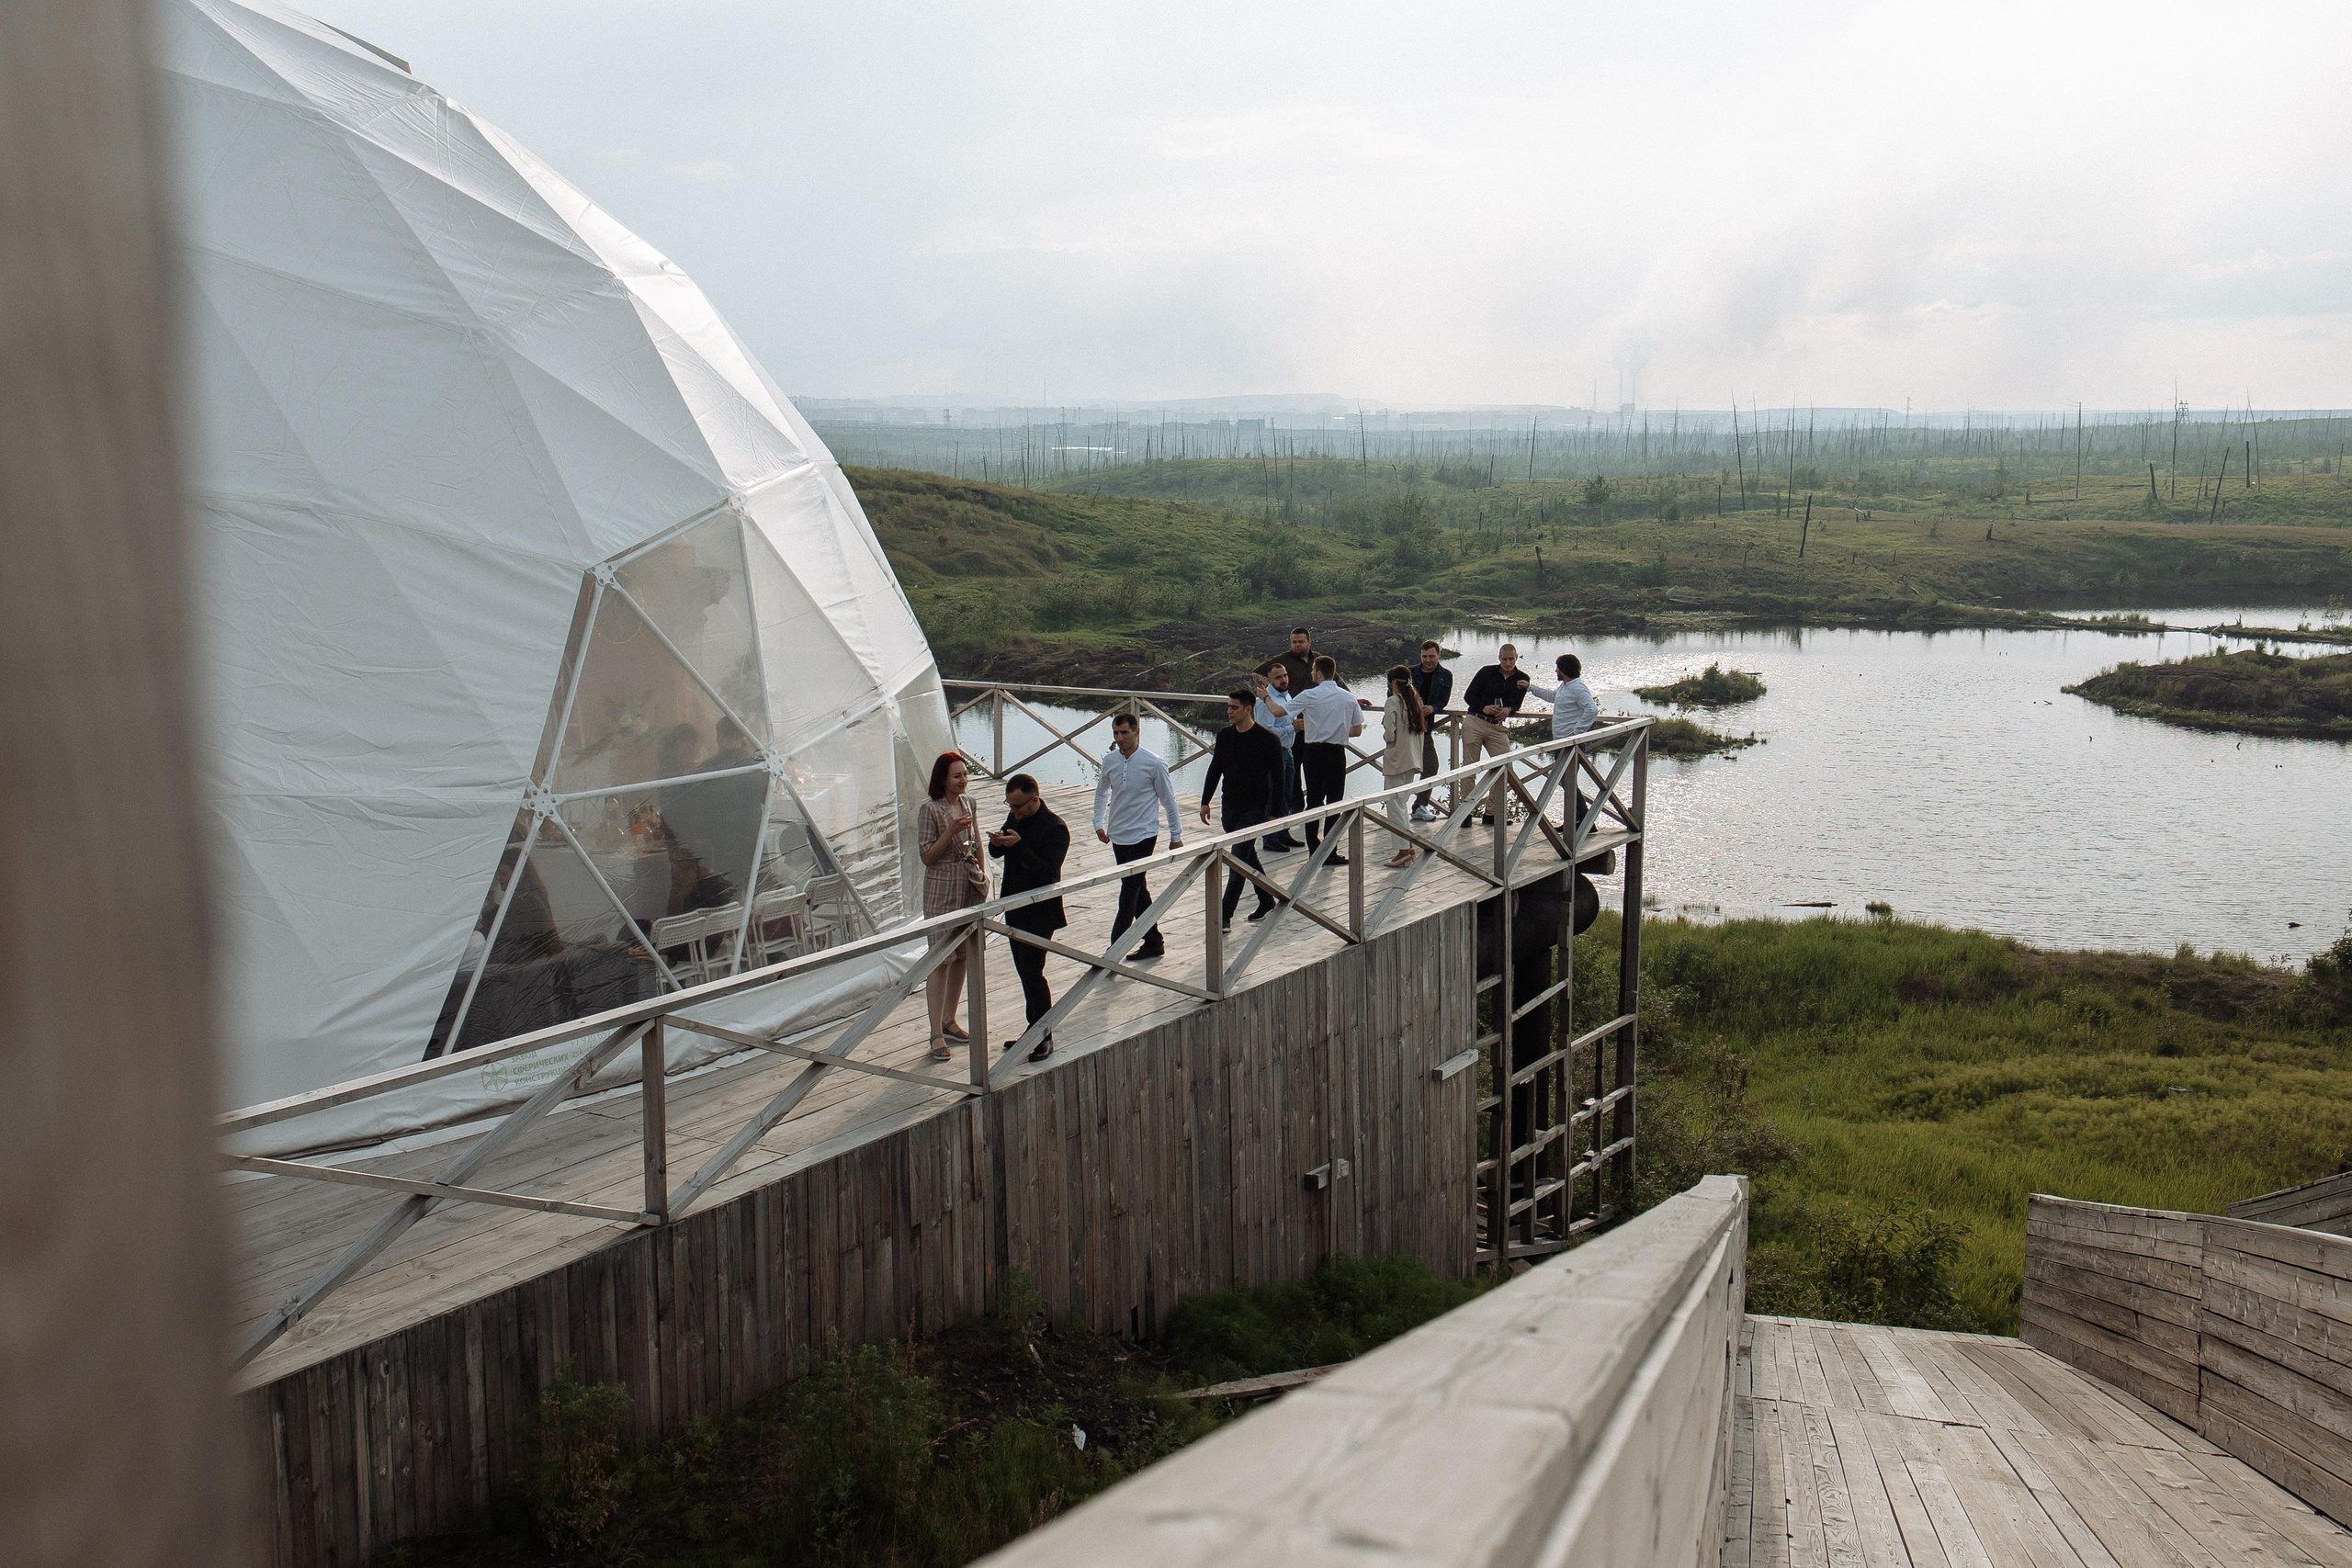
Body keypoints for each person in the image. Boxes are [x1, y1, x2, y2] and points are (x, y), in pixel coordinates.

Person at [988, 773, 1068, 1062]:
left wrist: (1017, 846)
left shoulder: (1056, 828)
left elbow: (1048, 872)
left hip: (1041, 911)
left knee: (1033, 972)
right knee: (1024, 971)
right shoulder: (1015, 818)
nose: (1014, 812)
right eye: (1010, 806)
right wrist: (997, 843)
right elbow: (998, 852)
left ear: (1035, 798)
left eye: (1019, 806)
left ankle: (1044, 1034)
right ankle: (1033, 1026)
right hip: (1016, 907)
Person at [1092, 713, 1182, 958]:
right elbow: (1102, 793)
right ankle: (1154, 941)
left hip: (1144, 834)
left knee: (1129, 891)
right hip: (1118, 834)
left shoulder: (1154, 762)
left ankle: (1114, 951)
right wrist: (1097, 823)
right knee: (1138, 889)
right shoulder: (1110, 761)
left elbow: (1168, 800)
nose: (1120, 738)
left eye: (1124, 732)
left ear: (1136, 731)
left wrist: (1176, 835)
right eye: (1116, 733)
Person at [917, 751, 987, 1060]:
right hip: (942, 887)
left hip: (967, 884)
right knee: (941, 959)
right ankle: (934, 1033)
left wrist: (982, 876)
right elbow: (927, 857)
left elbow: (978, 842)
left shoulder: (969, 802)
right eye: (957, 776)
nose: (963, 780)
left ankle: (949, 1019)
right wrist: (950, 831)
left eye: (965, 775)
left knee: (962, 956)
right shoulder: (929, 810)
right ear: (943, 779)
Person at [1198, 688, 1283, 929]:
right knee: (1246, 856)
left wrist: (1275, 812)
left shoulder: (1268, 740)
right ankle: (1266, 898)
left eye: (1234, 708)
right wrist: (1205, 800)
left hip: (1256, 807)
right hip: (1230, 806)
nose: (1229, 712)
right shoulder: (1225, 735)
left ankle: (1224, 915)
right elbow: (1215, 768)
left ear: (1248, 709)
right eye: (1228, 707)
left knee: (1237, 858)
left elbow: (1279, 779)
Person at [1285, 654, 1364, 863]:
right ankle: (1330, 851)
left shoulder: (1309, 695)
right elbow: (1357, 730)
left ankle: (1314, 850)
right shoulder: (1348, 698)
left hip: (1313, 752)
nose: (1311, 673)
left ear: (1319, 673)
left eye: (1313, 670)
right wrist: (1335, 728)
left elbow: (1279, 712)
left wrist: (1265, 697)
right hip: (1336, 752)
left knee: (1313, 801)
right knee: (1334, 802)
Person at [1519, 652, 1601, 833]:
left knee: (1567, 782)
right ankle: (1579, 820)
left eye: (1557, 667)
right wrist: (1530, 687)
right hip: (1561, 744)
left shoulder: (1578, 688)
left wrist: (1577, 732)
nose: (1555, 670)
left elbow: (1592, 709)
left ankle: (1583, 821)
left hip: (1571, 744)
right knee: (1566, 782)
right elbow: (1551, 696)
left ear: (1563, 670)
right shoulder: (1565, 687)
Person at [1459, 644, 1534, 825]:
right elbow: (1468, 696)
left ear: (1517, 658)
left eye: (1511, 659)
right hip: (1475, 721)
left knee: (1504, 768)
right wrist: (1484, 707)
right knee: (1470, 767)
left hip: (1497, 727)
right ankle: (1465, 813)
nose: (1507, 663)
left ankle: (1491, 814)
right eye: (1504, 659)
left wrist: (1508, 710)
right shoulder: (1486, 672)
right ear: (1499, 658)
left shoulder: (1522, 678)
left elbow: (1517, 704)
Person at [1251, 664, 1303, 853]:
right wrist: (1293, 729)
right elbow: (1267, 733)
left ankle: (1283, 832)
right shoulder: (1266, 702)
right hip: (1273, 753)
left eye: (1285, 675)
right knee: (1273, 795)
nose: (1284, 680)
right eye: (1278, 677)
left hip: (1288, 750)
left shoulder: (1287, 697)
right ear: (1269, 681)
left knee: (1287, 794)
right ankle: (1270, 837)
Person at [1378, 665, 1425, 867]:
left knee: (1394, 805)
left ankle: (1403, 850)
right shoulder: (1414, 700)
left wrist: (1385, 734)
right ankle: (1408, 847)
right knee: (1401, 804)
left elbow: (1390, 733)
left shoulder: (1392, 702)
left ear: (1393, 683)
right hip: (1412, 759)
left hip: (1397, 759)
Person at [1407, 639, 1453, 823]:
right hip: (1406, 728)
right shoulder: (1409, 673)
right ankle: (1397, 807)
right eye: (1424, 656)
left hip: (1425, 729)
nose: (1428, 660)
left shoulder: (1446, 675)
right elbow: (1392, 694)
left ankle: (1419, 806)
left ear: (1438, 656)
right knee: (1404, 769)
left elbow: (1444, 701)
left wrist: (1433, 708)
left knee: (1431, 766)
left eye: (1431, 656)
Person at [1254, 625, 1317, 696]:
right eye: (1294, 642)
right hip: (1291, 704)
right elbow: (1256, 673)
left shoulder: (1318, 659)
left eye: (1301, 642)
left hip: (1316, 704)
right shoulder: (1283, 660)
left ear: (1309, 642)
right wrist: (1270, 686)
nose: (1297, 645)